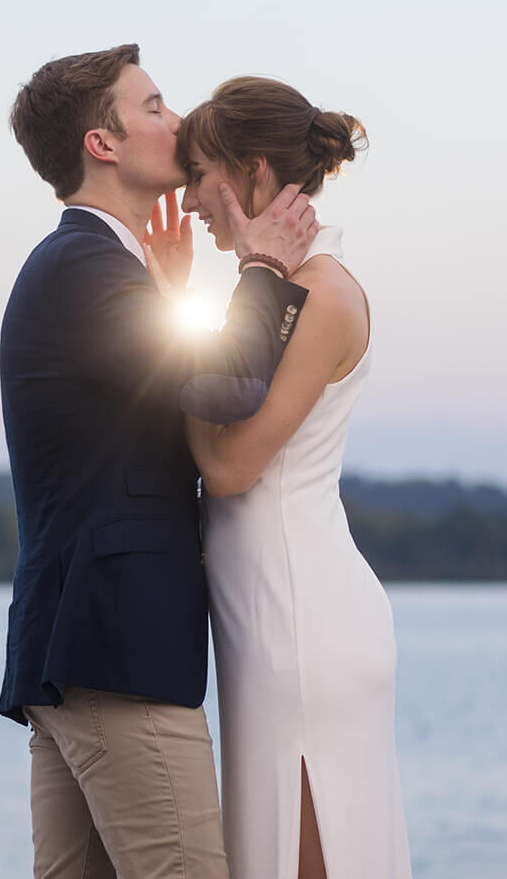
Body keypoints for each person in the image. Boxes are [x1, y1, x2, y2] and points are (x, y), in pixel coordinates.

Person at [0, 44, 322, 879]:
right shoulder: (82, 265)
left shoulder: (98, 268)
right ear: (101, 145)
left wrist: (171, 298)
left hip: (77, 657)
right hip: (116, 656)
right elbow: (229, 383)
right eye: (153, 107)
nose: (176, 123)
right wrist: (262, 266)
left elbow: (146, 396)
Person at [161, 76, 414, 879]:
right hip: (267, 617)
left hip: (302, 624)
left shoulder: (323, 295)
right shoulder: (274, 295)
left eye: (201, 172)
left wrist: (203, 314)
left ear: (254, 173)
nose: (190, 195)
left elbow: (231, 466)